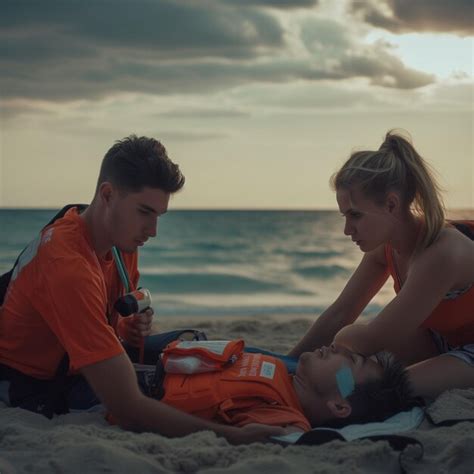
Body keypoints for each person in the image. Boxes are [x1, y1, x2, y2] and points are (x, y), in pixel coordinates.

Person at [0, 135, 284, 444]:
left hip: (81, 361)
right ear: (107, 195)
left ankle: (287, 371)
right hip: (36, 383)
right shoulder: (67, 266)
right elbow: (128, 409)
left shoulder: (118, 240)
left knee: (195, 346)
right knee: (171, 386)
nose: (153, 231)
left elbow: (109, 324)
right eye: (144, 212)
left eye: (158, 216)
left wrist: (128, 327)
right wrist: (234, 436)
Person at [289, 130, 474, 400]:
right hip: (441, 338)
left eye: (355, 215)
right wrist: (288, 364)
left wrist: (343, 339)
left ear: (391, 204)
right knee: (351, 369)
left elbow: (371, 339)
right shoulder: (385, 248)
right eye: (344, 216)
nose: (346, 230)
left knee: (383, 390)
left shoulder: (442, 251)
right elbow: (341, 312)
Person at [118, 342, 419, 432]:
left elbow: (273, 435)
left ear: (340, 405)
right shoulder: (279, 374)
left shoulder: (284, 415)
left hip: (118, 389)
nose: (338, 347)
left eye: (351, 359)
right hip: (143, 362)